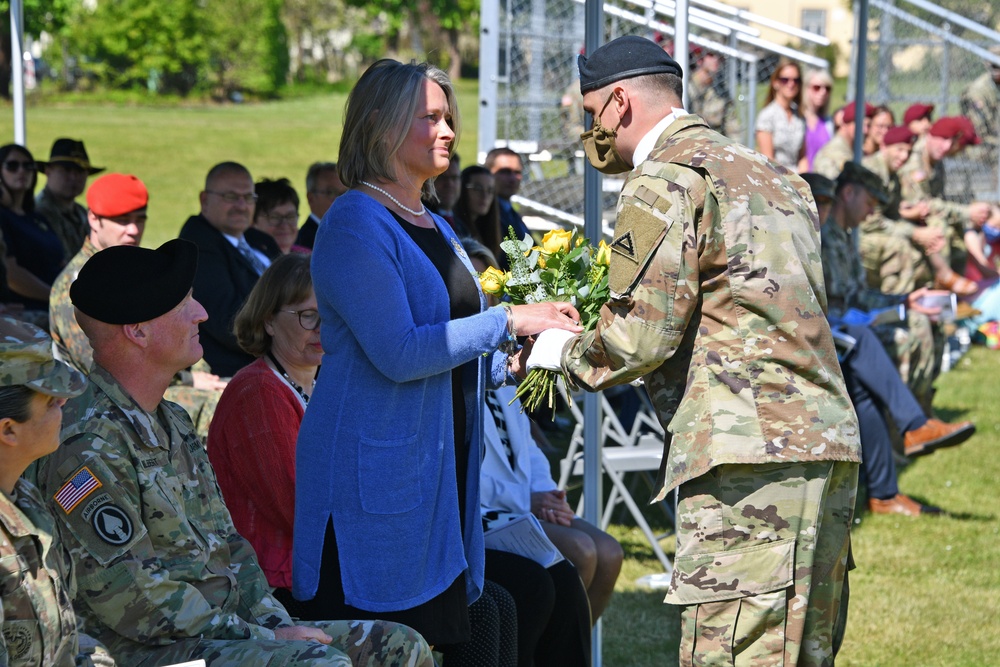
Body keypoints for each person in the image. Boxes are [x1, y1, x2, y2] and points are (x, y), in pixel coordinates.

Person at [525, 36, 861, 665]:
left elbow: (640, 335)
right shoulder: (777, 177)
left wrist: (554, 354)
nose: (589, 131)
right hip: (826, 447)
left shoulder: (663, 180)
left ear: (619, 102)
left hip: (746, 459)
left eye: (590, 113)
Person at [291, 58, 582, 658]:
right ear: (379, 126)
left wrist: (509, 366)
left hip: (434, 480)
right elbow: (399, 352)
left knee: (447, 641)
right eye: (431, 117)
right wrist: (508, 320)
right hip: (374, 488)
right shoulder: (353, 222)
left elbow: (444, 347)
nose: (449, 130)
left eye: (448, 116)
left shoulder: (437, 223)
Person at [32, 239, 434, 667]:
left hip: (218, 632)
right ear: (138, 331)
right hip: (143, 651)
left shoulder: (173, 420)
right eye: (183, 303)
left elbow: (229, 545)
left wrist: (275, 624)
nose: (201, 313)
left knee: (399, 646)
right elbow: (132, 599)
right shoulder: (86, 441)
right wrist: (264, 635)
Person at [801, 173, 976, 517]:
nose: (822, 209)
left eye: (825, 202)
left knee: (863, 387)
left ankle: (885, 492)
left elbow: (853, 297)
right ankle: (913, 427)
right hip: (810, 336)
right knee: (864, 346)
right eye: (817, 202)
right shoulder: (802, 239)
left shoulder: (838, 237)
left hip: (835, 334)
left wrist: (905, 303)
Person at [47, 172, 227, 440]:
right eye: (122, 220)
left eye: (140, 219)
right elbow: (114, 364)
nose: (133, 229)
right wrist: (191, 381)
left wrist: (201, 374)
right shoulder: (79, 289)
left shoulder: (137, 267)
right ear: (93, 219)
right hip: (103, 402)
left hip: (149, 385)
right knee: (219, 407)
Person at [0, 316, 115, 667]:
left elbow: (64, 638)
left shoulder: (24, 498)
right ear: (8, 429)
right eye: (50, 401)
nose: (64, 404)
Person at [208, 253, 319, 593]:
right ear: (269, 321)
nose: (323, 328)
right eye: (308, 316)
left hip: (318, 569)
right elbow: (296, 509)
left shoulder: (326, 382)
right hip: (271, 588)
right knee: (476, 610)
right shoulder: (258, 392)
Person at [821, 162, 943, 413]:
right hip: (835, 329)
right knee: (905, 337)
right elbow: (841, 300)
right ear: (848, 194)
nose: (870, 213)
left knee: (922, 321)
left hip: (855, 321)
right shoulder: (825, 237)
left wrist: (903, 301)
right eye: (869, 204)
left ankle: (914, 420)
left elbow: (858, 295)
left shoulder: (843, 237)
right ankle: (905, 424)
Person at [178, 161, 281, 377]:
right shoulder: (198, 246)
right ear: (204, 200)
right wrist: (293, 336)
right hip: (241, 370)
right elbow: (229, 322)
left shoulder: (260, 240)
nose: (242, 206)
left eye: (248, 198)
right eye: (231, 197)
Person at [860, 126, 974, 297]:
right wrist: (915, 233)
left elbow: (894, 212)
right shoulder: (873, 171)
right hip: (860, 233)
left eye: (908, 151)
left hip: (881, 229)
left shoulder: (892, 174)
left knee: (935, 231)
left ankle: (939, 290)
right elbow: (870, 221)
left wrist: (914, 218)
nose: (904, 156)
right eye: (899, 150)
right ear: (884, 146)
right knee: (903, 248)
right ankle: (898, 303)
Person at [898, 116, 993, 275]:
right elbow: (921, 204)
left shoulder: (936, 159)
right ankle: (942, 283)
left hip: (922, 215)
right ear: (930, 135)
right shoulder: (915, 161)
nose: (947, 146)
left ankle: (956, 289)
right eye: (943, 139)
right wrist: (966, 212)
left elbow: (937, 200)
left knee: (959, 228)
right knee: (940, 227)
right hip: (905, 216)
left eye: (951, 141)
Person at [0, 144, 64, 319]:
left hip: (56, 305)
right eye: (12, 165)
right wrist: (56, 297)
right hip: (27, 313)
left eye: (28, 166)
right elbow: (11, 275)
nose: (21, 171)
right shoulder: (3, 217)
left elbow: (60, 262)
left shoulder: (38, 218)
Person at [35, 138, 104, 261]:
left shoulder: (81, 213)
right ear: (48, 171)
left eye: (80, 171)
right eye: (66, 170)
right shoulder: (37, 212)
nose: (73, 177)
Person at [755, 58, 808, 171]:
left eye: (796, 80)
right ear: (776, 83)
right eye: (785, 80)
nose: (791, 84)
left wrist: (804, 180)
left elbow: (802, 157)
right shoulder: (767, 116)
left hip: (798, 179)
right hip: (776, 178)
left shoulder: (800, 116)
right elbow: (768, 159)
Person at [685, 48, 740, 139]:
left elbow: (733, 130)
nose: (716, 59)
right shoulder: (685, 86)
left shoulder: (722, 93)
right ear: (699, 58)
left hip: (712, 145)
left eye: (719, 56)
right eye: (711, 55)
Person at [813, 100, 875, 179]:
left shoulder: (852, 149)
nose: (865, 130)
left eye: (868, 125)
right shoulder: (835, 152)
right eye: (861, 124)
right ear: (846, 123)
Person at [453, 165, 503, 262]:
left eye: (490, 190)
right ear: (462, 189)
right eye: (477, 188)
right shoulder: (454, 228)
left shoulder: (489, 230)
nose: (484, 196)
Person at [959, 45, 1000, 158]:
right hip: (983, 146)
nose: (996, 70)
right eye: (994, 66)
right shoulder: (977, 91)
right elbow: (981, 131)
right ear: (987, 65)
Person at [485, 147, 532, 241]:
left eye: (517, 172)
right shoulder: (484, 214)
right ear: (487, 173)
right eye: (505, 172)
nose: (512, 178)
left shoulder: (511, 212)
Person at [296, 162, 346, 250]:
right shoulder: (304, 244)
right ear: (311, 198)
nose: (341, 199)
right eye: (331, 193)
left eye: (345, 193)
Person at [253, 177, 309, 254]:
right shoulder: (246, 261)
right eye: (275, 217)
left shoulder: (309, 257)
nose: (284, 225)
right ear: (252, 221)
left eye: (290, 216)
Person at [802, 67, 835, 170]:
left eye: (827, 88)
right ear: (806, 89)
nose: (823, 92)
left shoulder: (828, 123)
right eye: (817, 87)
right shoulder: (797, 119)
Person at [426, 154, 462, 229]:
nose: (449, 184)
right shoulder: (421, 221)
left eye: (454, 178)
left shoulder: (463, 227)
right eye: (441, 177)